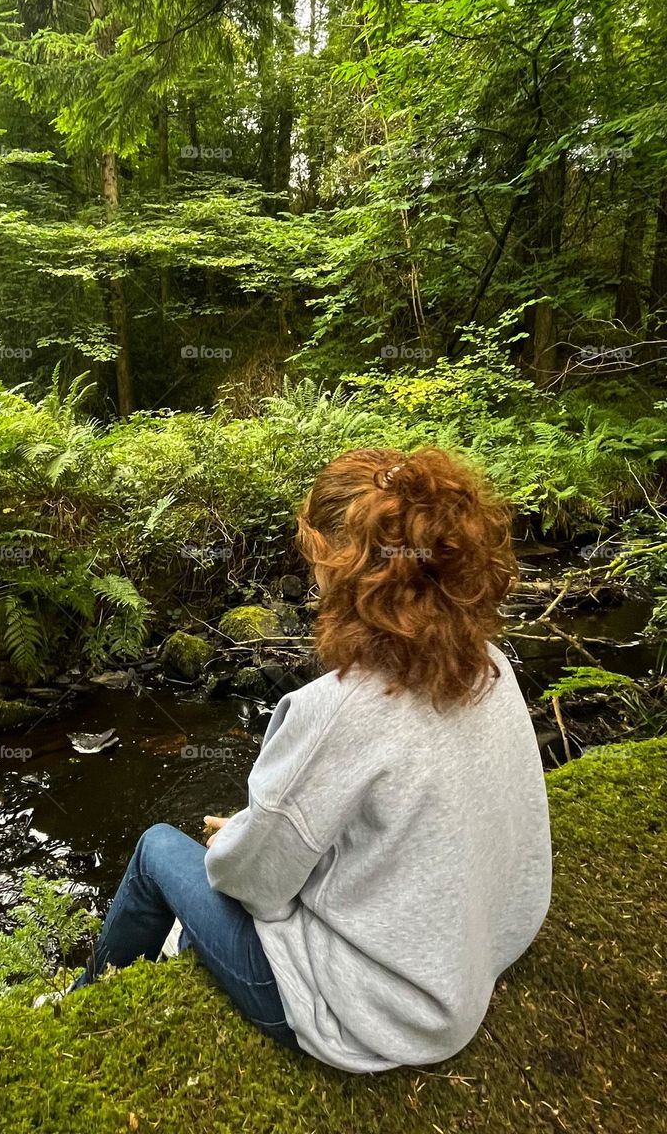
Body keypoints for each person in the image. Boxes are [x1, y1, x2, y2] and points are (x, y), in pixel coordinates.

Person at [68, 447, 553, 1072]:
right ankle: (170, 952)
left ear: (344, 567)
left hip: (374, 1015)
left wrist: (236, 841)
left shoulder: (333, 710)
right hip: (479, 954)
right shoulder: (491, 665)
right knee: (224, 868)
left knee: (159, 849)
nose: (310, 579)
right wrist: (252, 830)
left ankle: (81, 1004)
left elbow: (254, 886)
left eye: (315, 559)